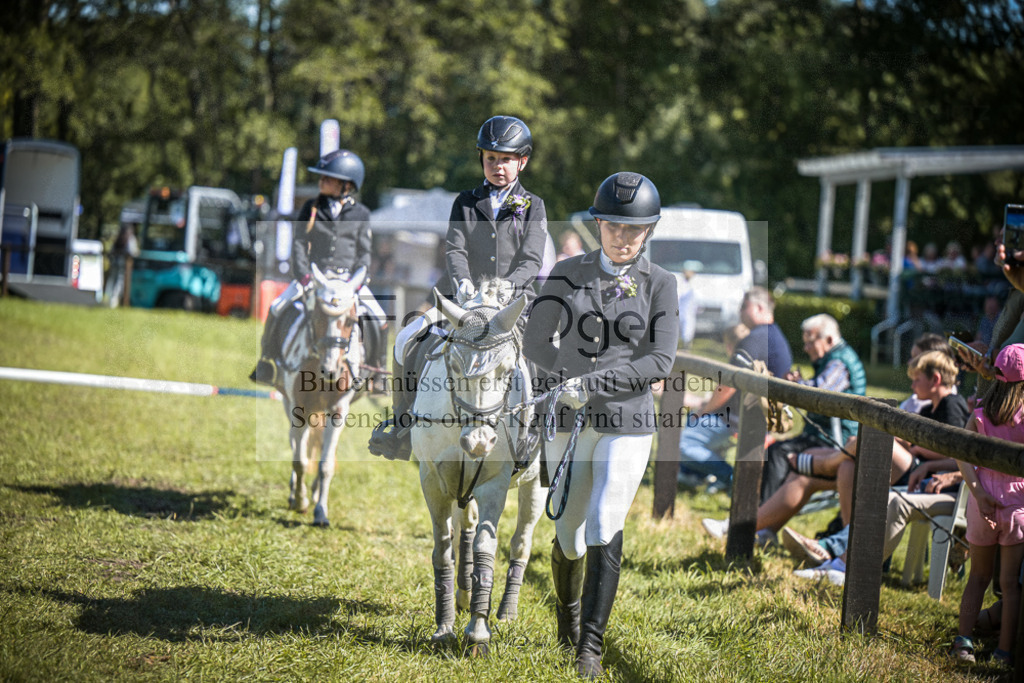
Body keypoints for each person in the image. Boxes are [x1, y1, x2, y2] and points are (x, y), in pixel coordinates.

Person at [524, 172, 678, 679]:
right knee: (567, 531)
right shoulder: (567, 272)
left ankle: (590, 645)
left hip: (628, 420)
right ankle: (568, 619)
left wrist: (596, 383)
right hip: (568, 418)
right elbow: (535, 341)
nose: (622, 236)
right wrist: (561, 378)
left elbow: (660, 360)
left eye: (633, 229)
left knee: (604, 518)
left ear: (649, 230)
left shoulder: (662, 284)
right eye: (613, 225)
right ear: (599, 225)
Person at [368, 115, 548, 460]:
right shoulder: (465, 201)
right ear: (482, 159)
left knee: (544, 351)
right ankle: (402, 426)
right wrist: (464, 282)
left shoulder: (533, 206)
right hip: (460, 296)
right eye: (491, 158)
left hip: (511, 302)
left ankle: (533, 434)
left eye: (506, 159)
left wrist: (507, 288)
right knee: (408, 336)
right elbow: (454, 248)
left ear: (522, 162)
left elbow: (532, 259)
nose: (497, 166)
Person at [784, 349, 969, 586]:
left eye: (916, 379)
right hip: (919, 476)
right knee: (848, 467)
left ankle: (834, 550)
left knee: (871, 440)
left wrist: (922, 453)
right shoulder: (928, 407)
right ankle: (834, 552)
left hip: (933, 482)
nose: (912, 385)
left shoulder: (952, 406)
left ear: (935, 380)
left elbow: (957, 453)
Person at [250, 149, 386, 386]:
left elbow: (365, 252)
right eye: (322, 177)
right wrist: (303, 275)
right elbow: (300, 243)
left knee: (380, 317)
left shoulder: (361, 213)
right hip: (315, 277)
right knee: (276, 307)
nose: (321, 181)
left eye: (328, 178)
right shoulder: (311, 208)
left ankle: (378, 372)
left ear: (346, 184)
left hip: (347, 281)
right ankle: (267, 362)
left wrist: (360, 279)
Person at [677, 287, 793, 493]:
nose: (740, 312)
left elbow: (727, 386)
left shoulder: (755, 338)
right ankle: (692, 474)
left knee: (679, 443)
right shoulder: (776, 336)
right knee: (691, 422)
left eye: (743, 306)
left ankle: (735, 480)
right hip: (754, 417)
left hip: (740, 420)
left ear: (758, 308)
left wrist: (705, 410)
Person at [950, 344, 1024, 666]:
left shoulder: (980, 412)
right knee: (1010, 585)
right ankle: (1004, 652)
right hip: (1019, 506)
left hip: (983, 503)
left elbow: (962, 453)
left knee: (977, 577)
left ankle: (962, 643)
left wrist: (978, 492)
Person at [758, 314, 866, 504]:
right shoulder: (833, 357)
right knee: (777, 451)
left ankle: (760, 515)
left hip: (836, 440)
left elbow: (821, 391)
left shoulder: (840, 361)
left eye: (810, 342)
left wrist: (796, 384)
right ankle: (763, 513)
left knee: (778, 453)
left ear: (829, 339)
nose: (806, 348)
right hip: (826, 435)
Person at [676, 270, 697, 350]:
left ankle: (687, 347)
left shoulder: (692, 285)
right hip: (681, 311)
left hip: (689, 312)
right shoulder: (681, 285)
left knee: (688, 329)